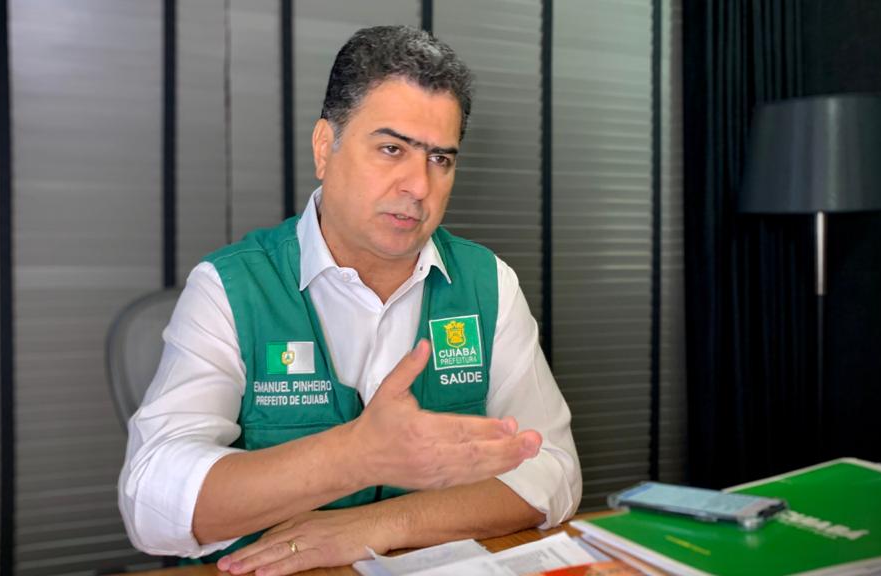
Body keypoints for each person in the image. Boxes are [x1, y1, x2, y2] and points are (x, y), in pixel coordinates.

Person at [119, 25, 581, 576]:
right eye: (391, 149)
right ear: (325, 147)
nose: (418, 186)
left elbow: (553, 469)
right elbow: (151, 505)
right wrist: (354, 457)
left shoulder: (488, 283)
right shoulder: (230, 286)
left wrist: (379, 526)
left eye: (440, 159)